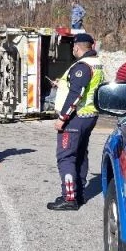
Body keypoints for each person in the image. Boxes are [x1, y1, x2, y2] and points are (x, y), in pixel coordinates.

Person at [49, 33, 104, 211]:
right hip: (89, 116)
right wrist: (62, 84)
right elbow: (82, 88)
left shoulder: (82, 66)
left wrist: (62, 118)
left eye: (73, 46)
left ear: (77, 47)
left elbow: (77, 93)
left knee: (66, 157)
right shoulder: (96, 63)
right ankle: (78, 193)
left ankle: (69, 198)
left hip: (76, 118)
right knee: (80, 155)